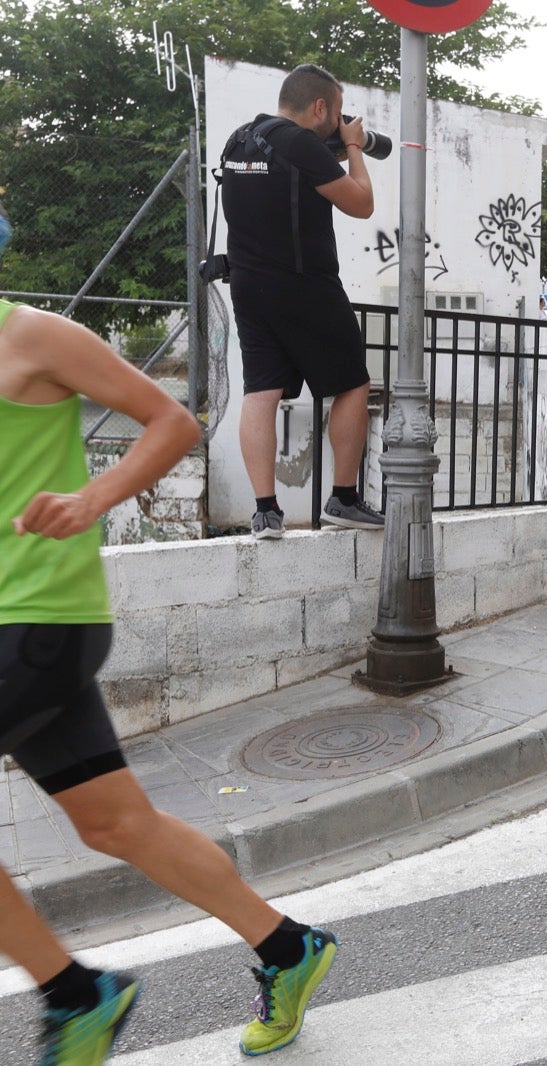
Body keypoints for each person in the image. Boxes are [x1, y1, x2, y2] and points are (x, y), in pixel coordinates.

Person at [0, 209, 338, 1065]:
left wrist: (88, 502)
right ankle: (286, 946)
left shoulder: (33, 336)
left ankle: (77, 999)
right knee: (116, 823)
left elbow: (174, 423)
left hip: (39, 616)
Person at [219, 63, 384, 540]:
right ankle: (344, 499)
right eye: (336, 114)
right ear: (320, 107)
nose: (337, 121)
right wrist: (353, 145)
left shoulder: (239, 140)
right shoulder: (300, 143)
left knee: (261, 391)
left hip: (247, 286)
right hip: (304, 284)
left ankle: (266, 512)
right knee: (352, 383)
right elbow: (360, 202)